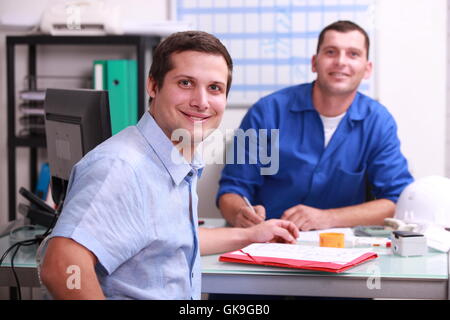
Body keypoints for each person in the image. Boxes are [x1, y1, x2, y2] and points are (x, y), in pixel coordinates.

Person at [39, 31, 298, 300]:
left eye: (214, 88)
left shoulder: (173, 159)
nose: (201, 101)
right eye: (185, 83)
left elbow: (171, 239)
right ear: (153, 86)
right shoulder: (122, 167)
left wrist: (252, 234)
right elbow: (62, 267)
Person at [217, 20, 414, 231]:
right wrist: (241, 214)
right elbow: (231, 190)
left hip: (345, 247)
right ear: (314, 63)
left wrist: (327, 218)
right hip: (270, 241)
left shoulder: (379, 122)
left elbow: (396, 201)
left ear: (367, 69)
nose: (340, 61)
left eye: (353, 54)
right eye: (331, 52)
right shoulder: (265, 112)